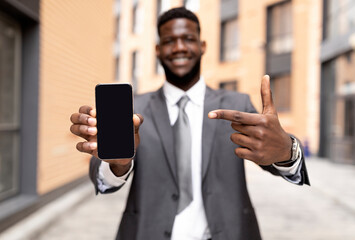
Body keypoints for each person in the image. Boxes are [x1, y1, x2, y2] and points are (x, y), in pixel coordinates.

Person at [70, 7, 309, 240]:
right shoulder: (133, 109)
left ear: (202, 46)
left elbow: (272, 157)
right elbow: (102, 181)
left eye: (188, 38)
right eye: (169, 40)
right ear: (157, 49)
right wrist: (118, 165)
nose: (179, 47)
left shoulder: (237, 106)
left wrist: (286, 151)